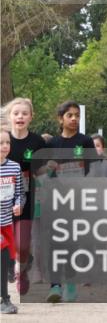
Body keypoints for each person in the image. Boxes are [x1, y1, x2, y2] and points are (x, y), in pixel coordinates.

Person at [44, 100, 97, 303]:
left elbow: (93, 170)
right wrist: (49, 168)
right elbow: (41, 172)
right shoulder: (51, 144)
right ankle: (55, 285)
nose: (74, 119)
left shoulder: (85, 142)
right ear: (60, 119)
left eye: (77, 115)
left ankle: (72, 282)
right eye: (70, 115)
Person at [3, 98, 45, 296]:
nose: (20, 116)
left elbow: (42, 168)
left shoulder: (37, 142)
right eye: (16, 113)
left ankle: (23, 270)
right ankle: (11, 265)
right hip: (3, 200)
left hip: (26, 196)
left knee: (23, 244)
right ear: (10, 116)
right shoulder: (3, 140)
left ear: (31, 117)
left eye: (24, 113)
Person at [1, 124, 26, 314]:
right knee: (2, 259)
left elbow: (20, 193)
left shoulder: (14, 167)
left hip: (7, 223)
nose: (4, 146)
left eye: (7, 142)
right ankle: (5, 300)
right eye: (0, 143)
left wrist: (18, 204)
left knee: (8, 261)